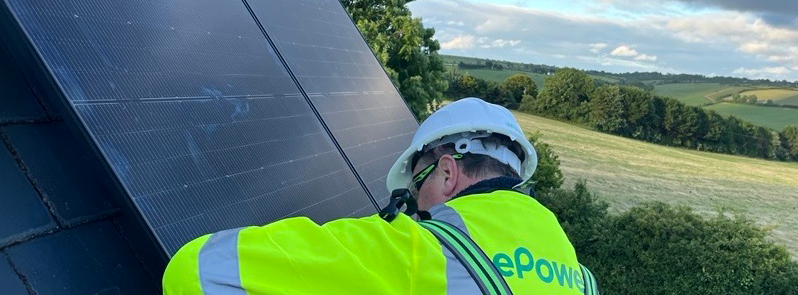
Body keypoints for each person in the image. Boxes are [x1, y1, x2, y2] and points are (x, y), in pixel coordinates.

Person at [163, 97, 597, 294]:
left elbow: (196, 270)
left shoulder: (419, 249)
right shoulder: (579, 277)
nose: (416, 203)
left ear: (446, 171)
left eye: (416, 186)